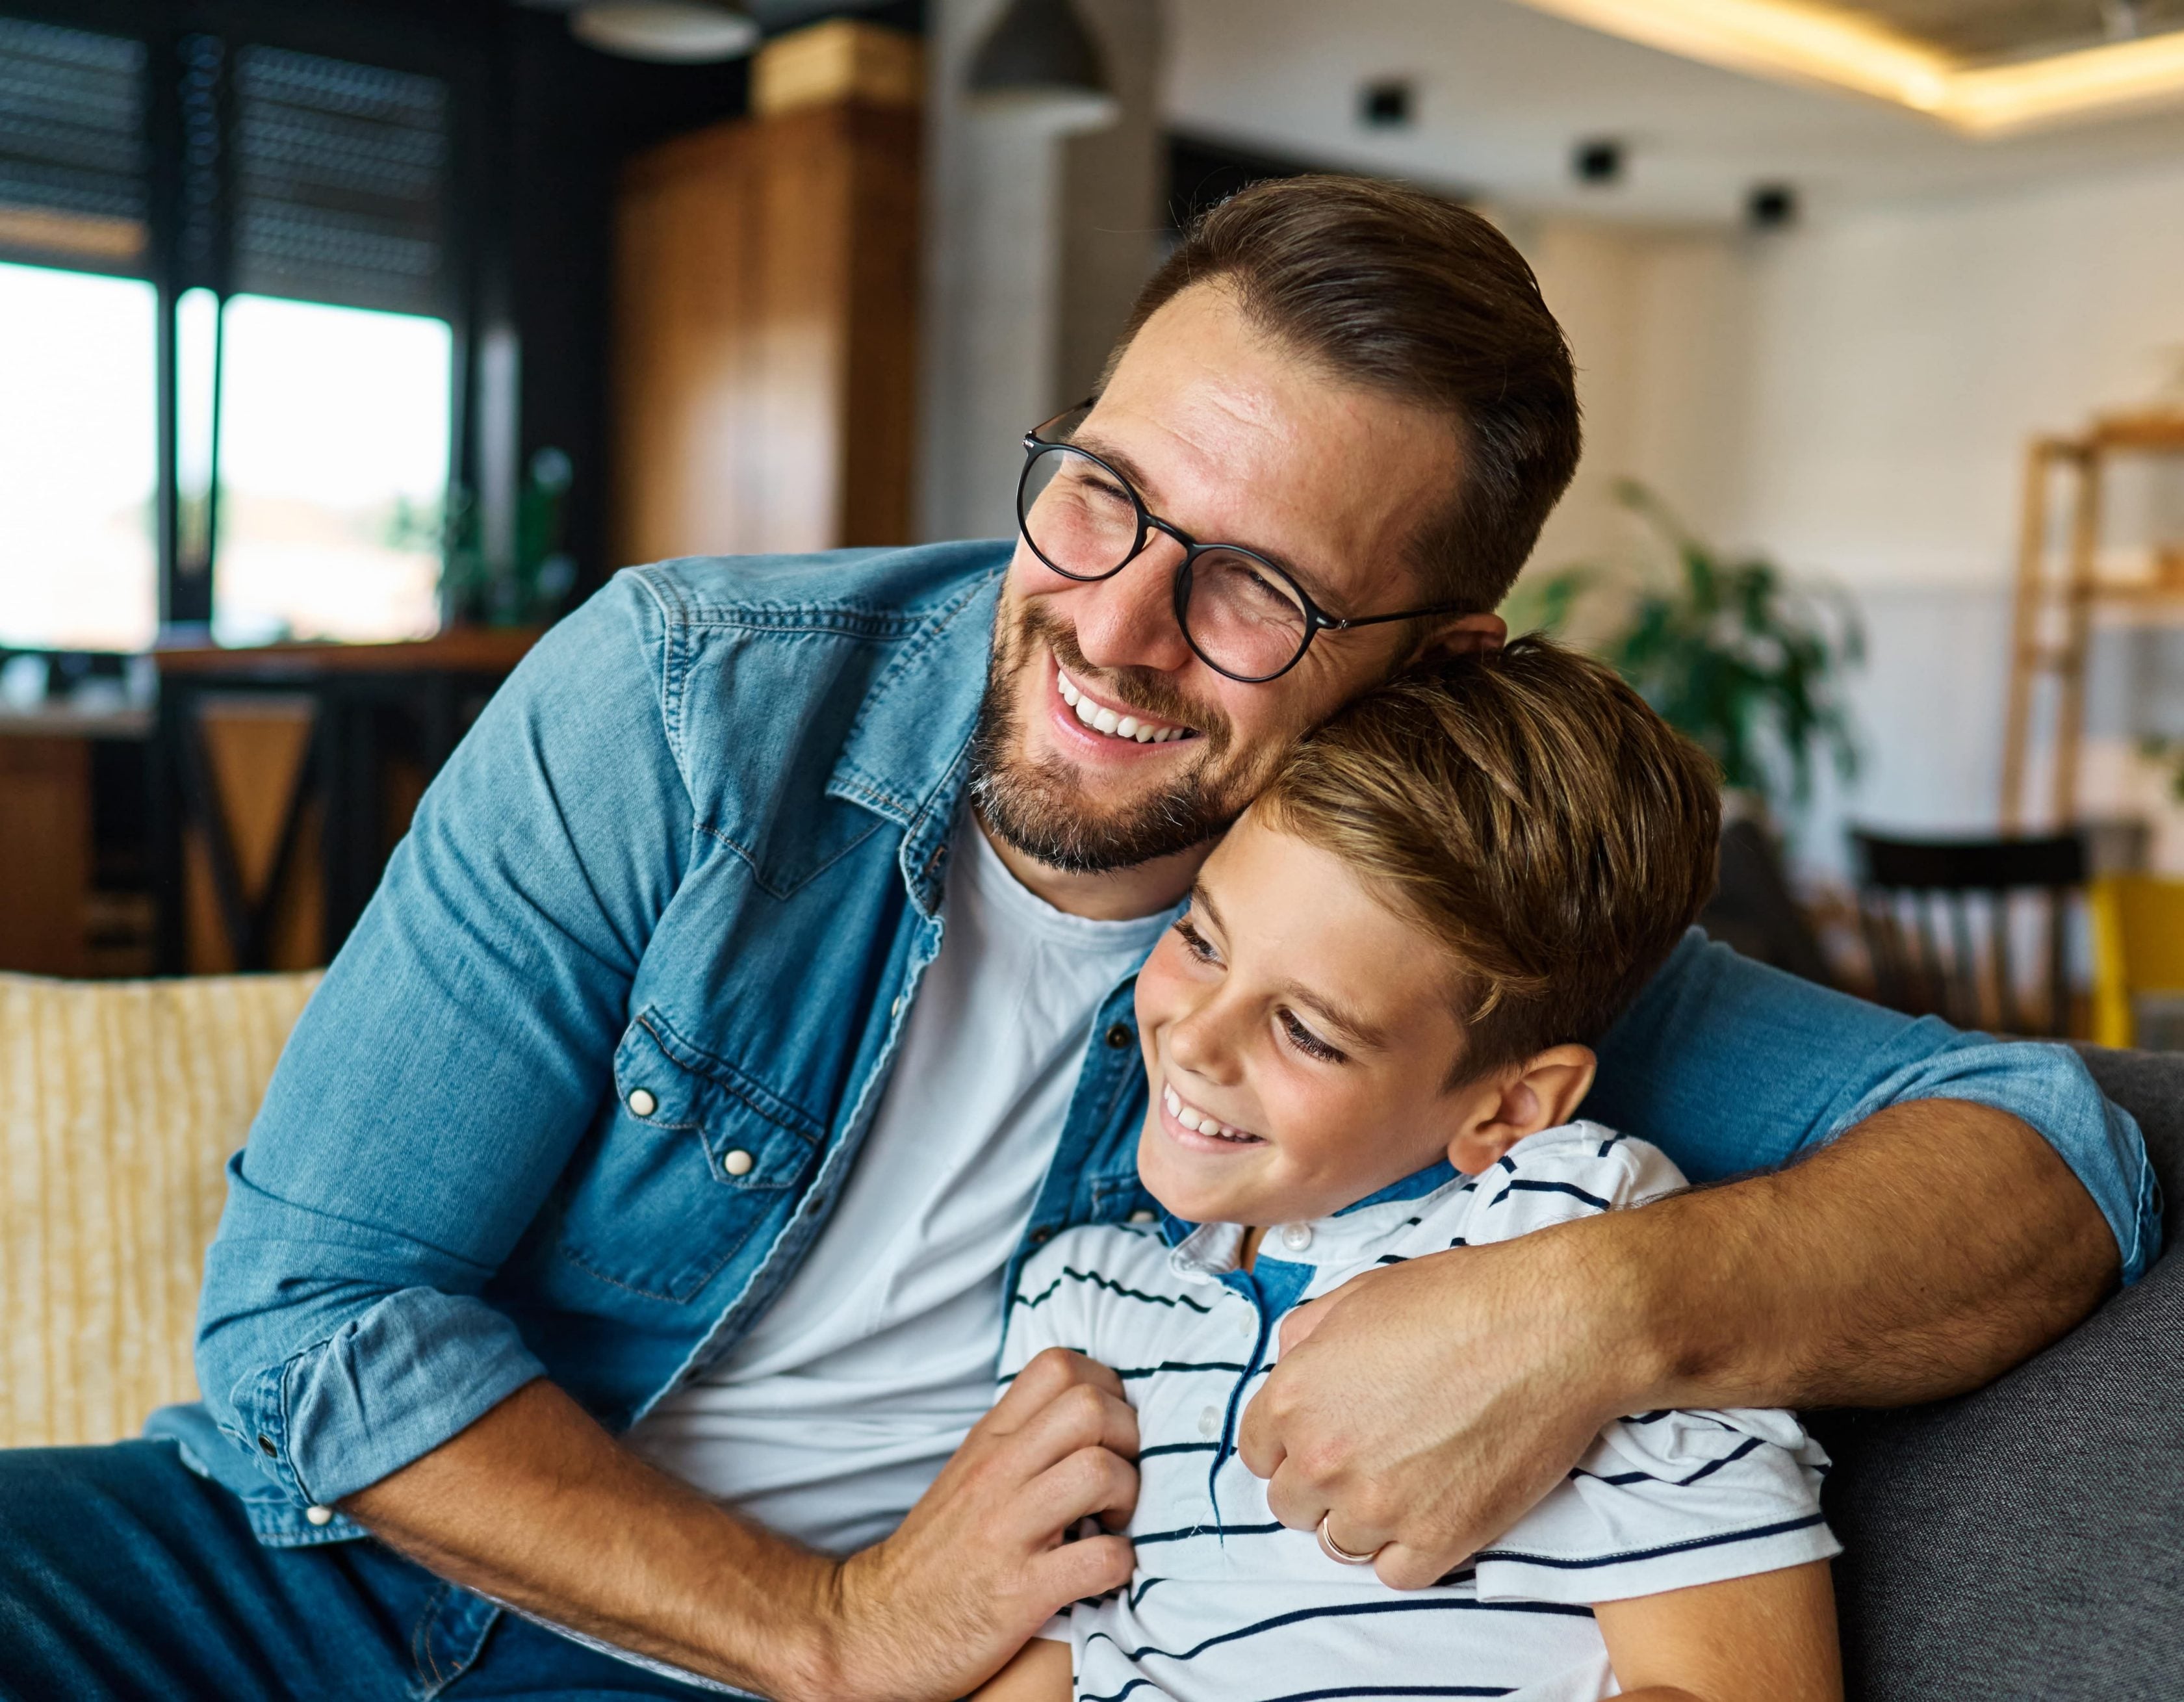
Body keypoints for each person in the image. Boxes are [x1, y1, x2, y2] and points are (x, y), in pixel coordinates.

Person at [0, 178, 2153, 1702]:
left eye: (1256, 592)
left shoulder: (1449, 953)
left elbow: (2064, 1150)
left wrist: (1594, 1311)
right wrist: (830, 1636)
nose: (1113, 625)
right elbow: (315, 1325)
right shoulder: (683, 701)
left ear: (1431, 658)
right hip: (296, 1566)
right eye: (1101, 491)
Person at [975, 639, 1842, 1702]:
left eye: (1305, 1031)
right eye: (1202, 942)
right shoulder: (1083, 1301)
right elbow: (1048, 1658)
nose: (1196, 1042)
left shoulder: (1567, 1236)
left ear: (1508, 1108)